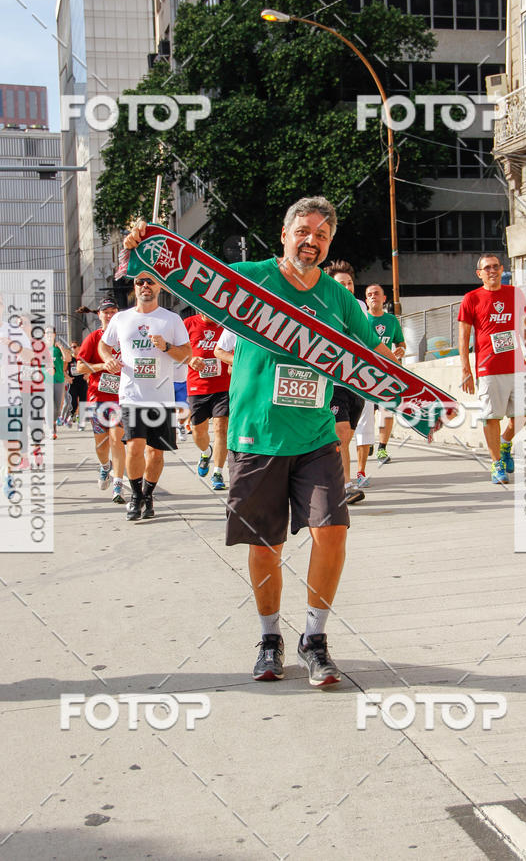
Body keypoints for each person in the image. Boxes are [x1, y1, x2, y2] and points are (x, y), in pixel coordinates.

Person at [126, 200, 399, 686]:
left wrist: (415, 394)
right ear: (284, 233)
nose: (310, 240)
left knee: (332, 532)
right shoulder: (248, 278)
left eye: (321, 234)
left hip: (315, 437)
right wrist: (147, 251)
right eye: (302, 231)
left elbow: (372, 350)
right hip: (255, 438)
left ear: (329, 243)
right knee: (264, 543)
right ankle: (270, 638)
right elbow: (188, 276)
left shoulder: (338, 301)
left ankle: (314, 639)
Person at [98, 274, 191, 521]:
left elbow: (186, 354)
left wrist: (166, 347)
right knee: (135, 447)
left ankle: (148, 494)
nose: (145, 286)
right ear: (135, 287)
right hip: (131, 395)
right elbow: (104, 345)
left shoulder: (171, 319)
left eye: (150, 281)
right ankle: (136, 496)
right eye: (140, 282)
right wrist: (108, 358)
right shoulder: (121, 318)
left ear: (159, 286)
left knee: (156, 453)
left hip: (162, 397)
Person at [458, 254, 526, 484]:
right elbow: (463, 338)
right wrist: (466, 371)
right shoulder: (471, 298)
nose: (492, 270)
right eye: (487, 268)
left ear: (501, 269)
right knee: (491, 417)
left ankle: (505, 443)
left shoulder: (514, 293)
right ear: (479, 273)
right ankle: (496, 464)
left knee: (525, 413)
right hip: (488, 369)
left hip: (517, 367)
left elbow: (525, 328)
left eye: (495, 266)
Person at [324, 260, 368, 504]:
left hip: (357, 381)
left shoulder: (360, 306)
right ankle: (344, 486)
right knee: (340, 433)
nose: (347, 287)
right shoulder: (323, 305)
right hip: (334, 381)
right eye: (342, 283)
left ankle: (333, 480)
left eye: (350, 283)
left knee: (346, 438)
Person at [77, 298, 127, 503]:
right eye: (106, 312)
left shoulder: (126, 336)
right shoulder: (93, 338)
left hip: (121, 397)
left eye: (114, 311)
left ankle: (118, 484)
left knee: (117, 439)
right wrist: (102, 366)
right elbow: (80, 368)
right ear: (99, 314)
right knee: (102, 444)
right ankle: (105, 466)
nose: (110, 315)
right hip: (97, 397)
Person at [0, 290, 31, 507]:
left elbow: (32, 356)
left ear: (2, 307)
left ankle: (9, 478)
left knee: (10, 443)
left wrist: (14, 346)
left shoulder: (13, 331)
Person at [185, 312, 231, 490]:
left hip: (223, 386)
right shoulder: (188, 324)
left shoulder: (227, 324)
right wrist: (189, 360)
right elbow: (179, 349)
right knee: (198, 431)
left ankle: (218, 472)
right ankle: (205, 453)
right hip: (198, 386)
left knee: (221, 428)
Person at [364, 284, 406, 464]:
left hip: (386, 373)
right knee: (367, 413)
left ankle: (382, 448)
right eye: (369, 294)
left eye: (376, 294)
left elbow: (401, 343)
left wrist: (401, 351)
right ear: (366, 300)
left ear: (384, 298)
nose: (373, 296)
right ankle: (367, 441)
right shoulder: (361, 319)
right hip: (364, 373)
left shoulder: (391, 320)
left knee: (386, 411)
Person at [65, 339, 88, 428]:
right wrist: (67, 378)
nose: (73, 349)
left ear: (79, 347)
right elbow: (63, 370)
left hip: (82, 382)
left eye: (74, 347)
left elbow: (90, 367)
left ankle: (81, 423)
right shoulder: (69, 359)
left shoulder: (83, 357)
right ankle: (71, 417)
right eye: (71, 347)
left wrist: (88, 375)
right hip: (73, 382)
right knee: (73, 402)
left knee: (83, 402)